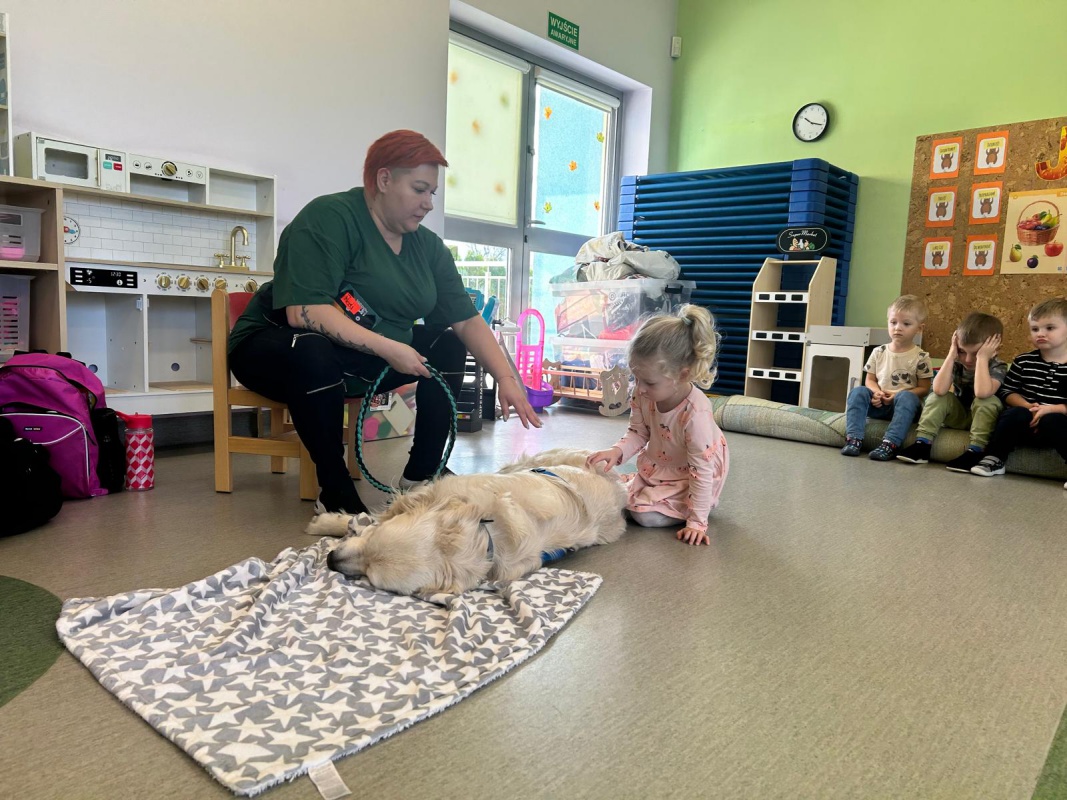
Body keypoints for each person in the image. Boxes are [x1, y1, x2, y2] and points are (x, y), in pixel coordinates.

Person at [228, 130, 541, 514]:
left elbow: (466, 320)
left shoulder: (427, 247)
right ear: (384, 179)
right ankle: (335, 492)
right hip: (276, 346)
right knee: (312, 349)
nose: (428, 204)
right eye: (420, 190)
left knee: (447, 343)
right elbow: (304, 312)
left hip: (361, 354)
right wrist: (390, 348)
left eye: (432, 193)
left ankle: (423, 475)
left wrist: (506, 378)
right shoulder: (328, 218)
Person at [586, 305, 729, 546]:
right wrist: (617, 451)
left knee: (645, 516)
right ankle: (658, 495)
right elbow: (637, 432)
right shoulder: (644, 394)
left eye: (649, 382)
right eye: (636, 378)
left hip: (693, 472)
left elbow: (702, 471)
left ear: (682, 375)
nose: (639, 388)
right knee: (619, 498)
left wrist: (697, 522)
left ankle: (691, 504)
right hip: (661, 464)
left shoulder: (696, 414)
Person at [970, 298, 1067, 486]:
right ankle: (995, 458)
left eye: (1050, 328)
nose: (1040, 333)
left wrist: (1051, 409)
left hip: (1056, 425)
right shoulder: (1023, 361)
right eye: (1035, 329)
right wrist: (1027, 406)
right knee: (1014, 413)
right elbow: (1006, 391)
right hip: (1024, 424)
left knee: (1053, 420)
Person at [896, 312, 1006, 472]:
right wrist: (951, 354)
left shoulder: (998, 366)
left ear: (995, 348)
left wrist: (983, 359)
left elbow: (982, 393)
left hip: (985, 419)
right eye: (962, 351)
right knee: (937, 397)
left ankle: (976, 451)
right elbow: (939, 389)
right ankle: (922, 445)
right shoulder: (957, 363)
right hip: (961, 415)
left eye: (976, 353)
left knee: (987, 400)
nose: (968, 359)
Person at [841, 294, 933, 460]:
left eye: (906, 324)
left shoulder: (921, 357)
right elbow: (870, 380)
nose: (898, 328)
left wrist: (897, 395)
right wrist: (876, 392)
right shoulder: (879, 352)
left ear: (919, 328)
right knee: (858, 391)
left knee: (907, 397)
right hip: (879, 403)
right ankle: (853, 439)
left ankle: (890, 443)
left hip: (904, 407)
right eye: (893, 322)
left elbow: (924, 388)